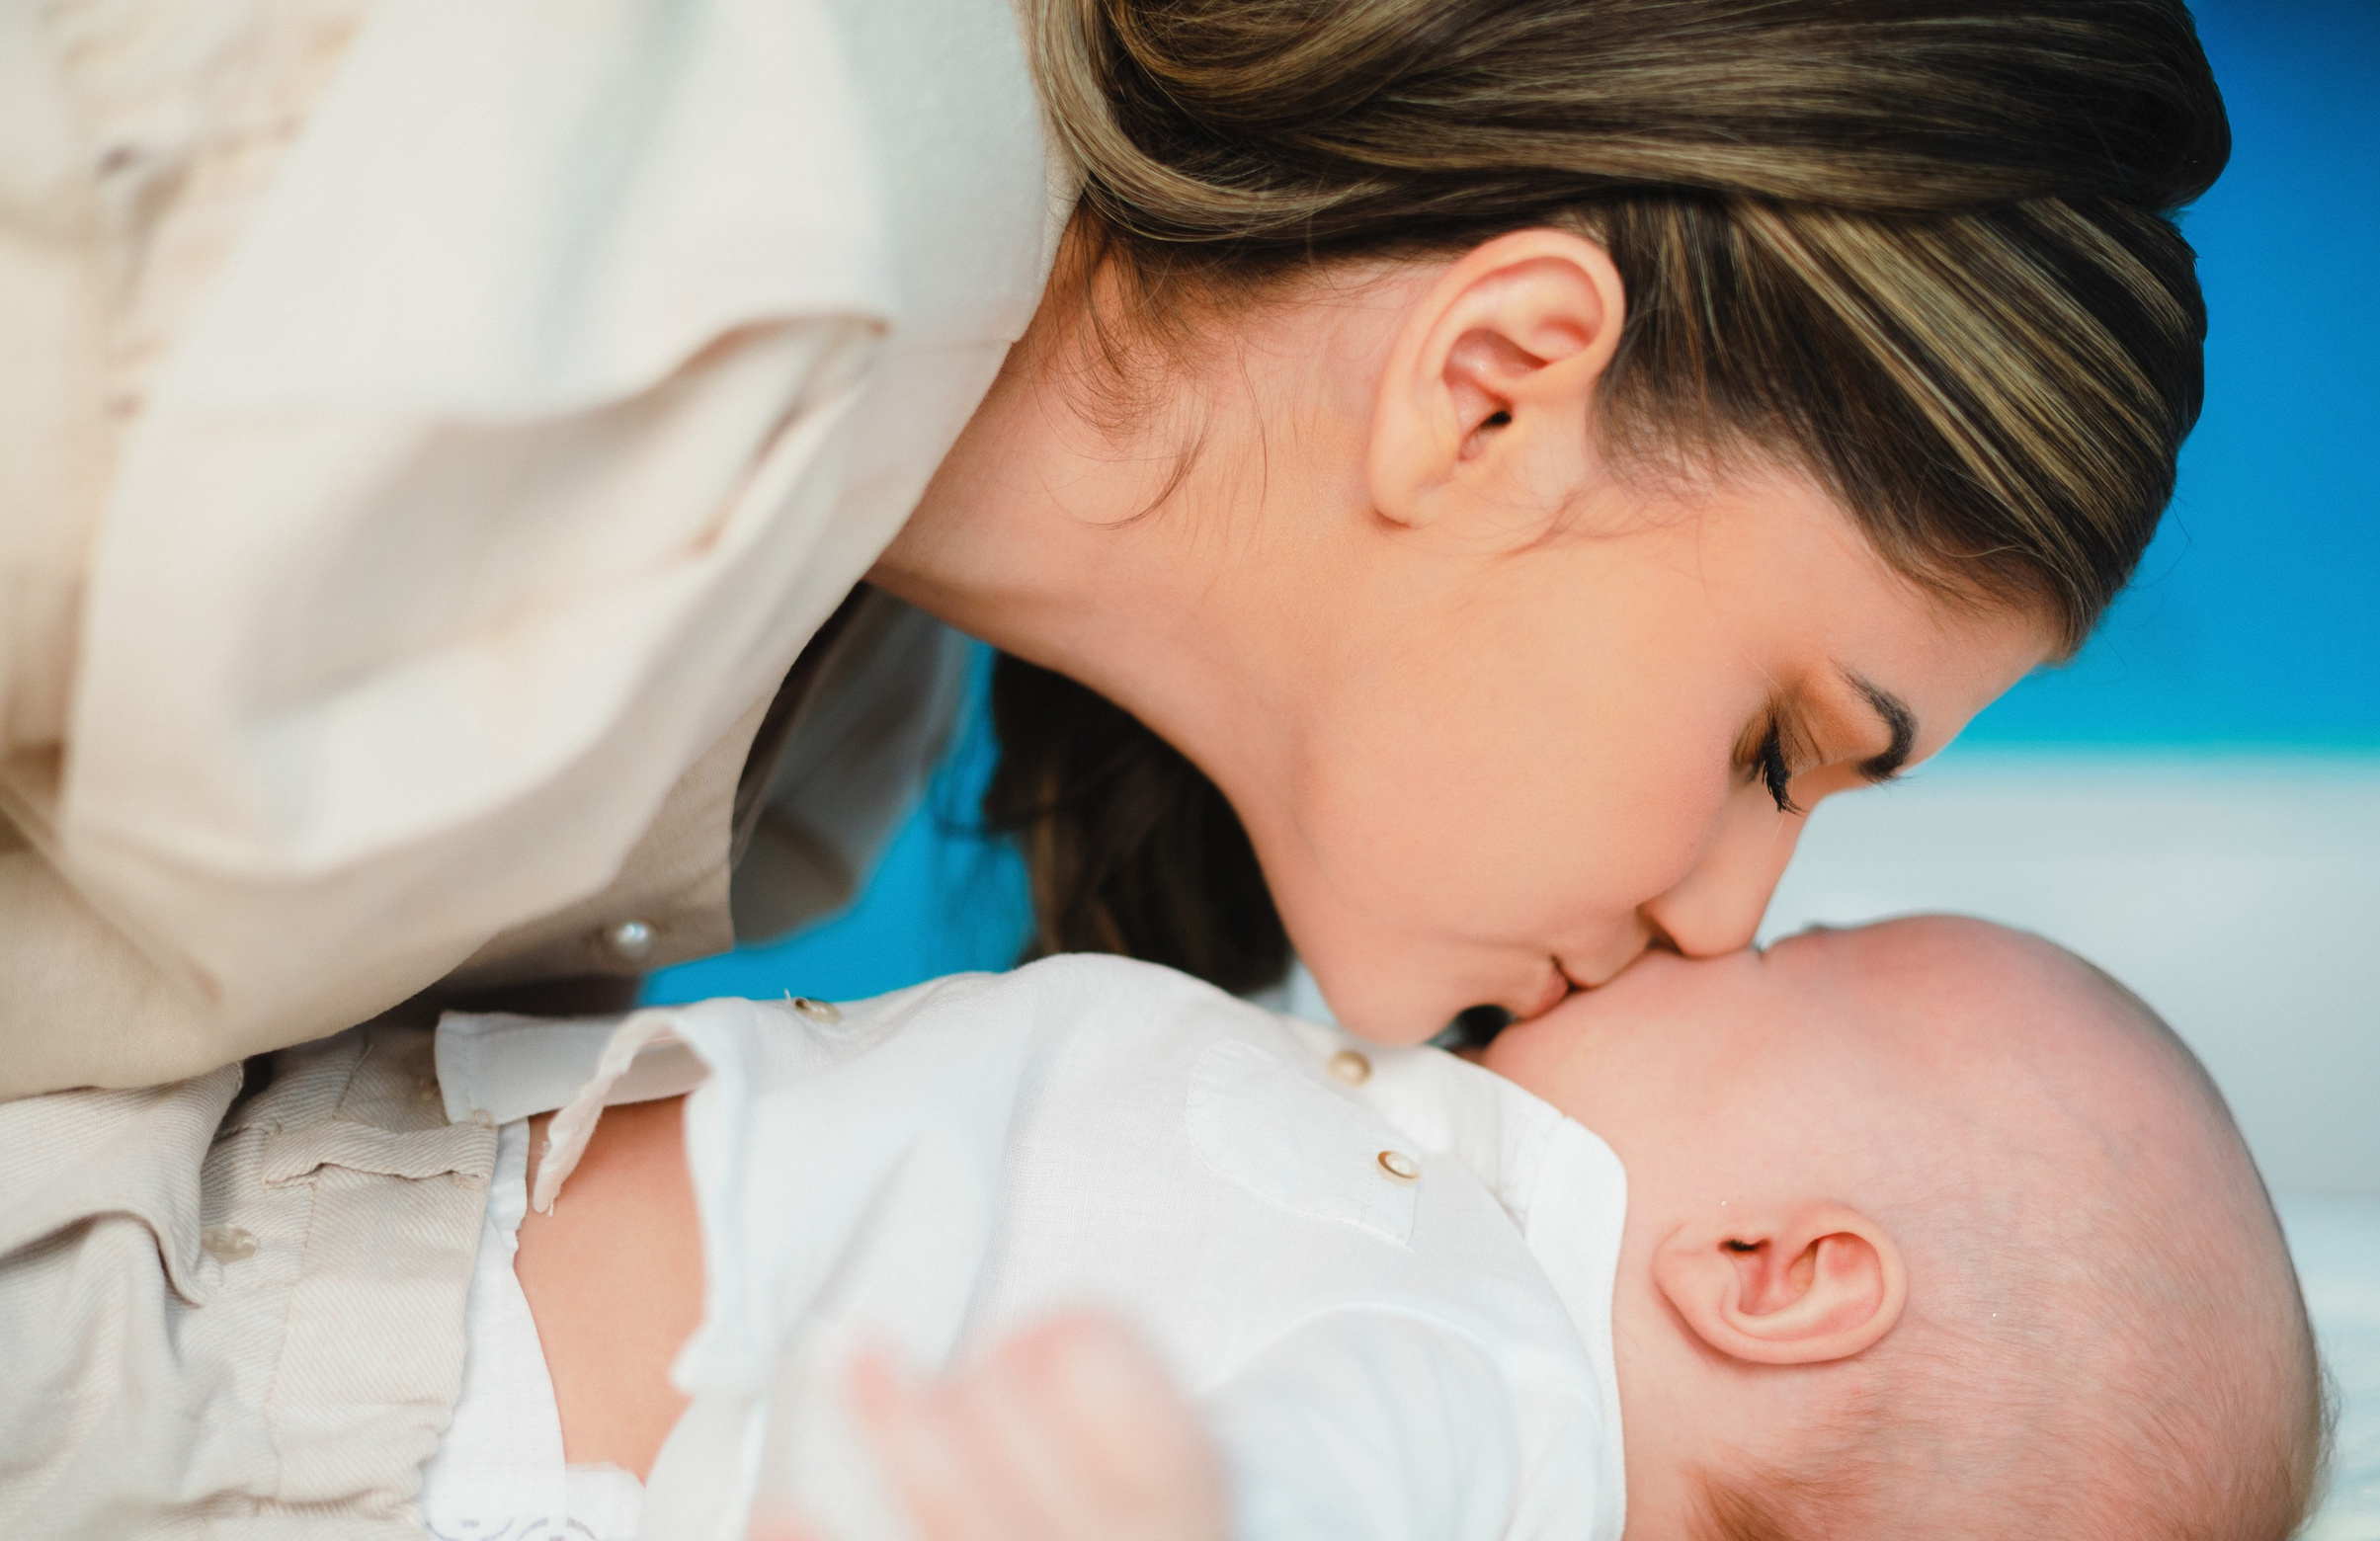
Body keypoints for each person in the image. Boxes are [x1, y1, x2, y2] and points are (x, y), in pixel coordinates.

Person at [0, 0, 2229, 1095]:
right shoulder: (536, 148)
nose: (1730, 923)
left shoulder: (826, 693)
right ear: (1493, 385)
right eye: (1779, 747)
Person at [0, 917, 2327, 1541]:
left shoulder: (1478, 1365)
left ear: (1773, 1275)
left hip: (362, 1411)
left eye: (1796, 960)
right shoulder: (1431, 1180)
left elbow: (1309, 1534)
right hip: (355, 1189)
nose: (1707, 927)